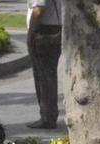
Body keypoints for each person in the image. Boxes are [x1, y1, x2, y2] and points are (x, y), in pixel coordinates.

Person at [25, 0, 62, 129]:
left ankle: (47, 117)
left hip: (43, 31)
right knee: (49, 76)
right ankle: (49, 115)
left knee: (43, 77)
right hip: (53, 28)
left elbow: (38, 11)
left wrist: (30, 34)